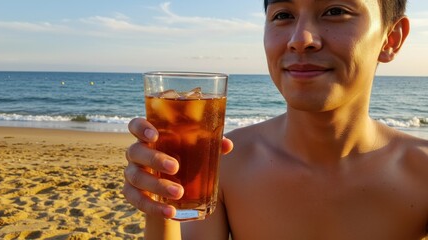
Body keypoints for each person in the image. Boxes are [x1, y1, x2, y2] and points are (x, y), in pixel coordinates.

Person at [123, 0, 428, 239]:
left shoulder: (421, 172)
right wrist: (160, 203)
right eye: (283, 15)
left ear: (391, 38)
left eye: (335, 11)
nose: (301, 39)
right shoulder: (226, 161)